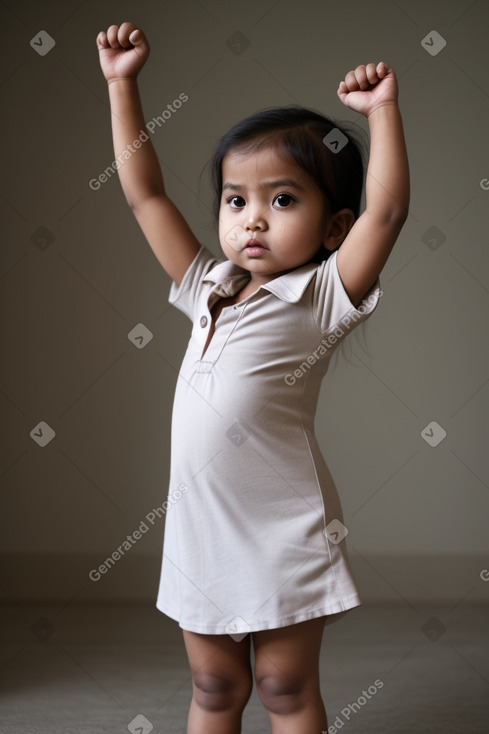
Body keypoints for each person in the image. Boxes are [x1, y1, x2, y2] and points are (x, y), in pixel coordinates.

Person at [97, 21, 409, 734]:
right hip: (201, 529)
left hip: (282, 531)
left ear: (333, 228)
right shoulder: (206, 282)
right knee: (213, 685)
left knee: (281, 687)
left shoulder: (322, 297)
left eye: (282, 200)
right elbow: (146, 196)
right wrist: (122, 84)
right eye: (236, 200)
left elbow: (387, 209)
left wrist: (383, 111)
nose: (252, 220)